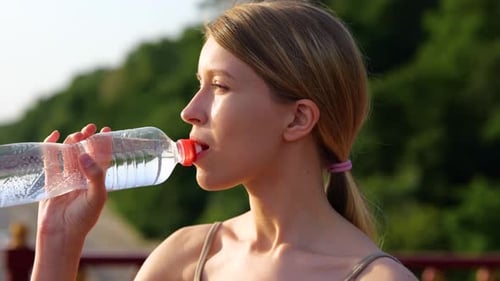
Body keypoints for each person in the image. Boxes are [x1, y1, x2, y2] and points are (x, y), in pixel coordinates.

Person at [30, 1, 418, 280]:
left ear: (298, 118)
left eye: (219, 85)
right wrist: (58, 241)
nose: (190, 111)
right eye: (199, 84)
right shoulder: (184, 257)